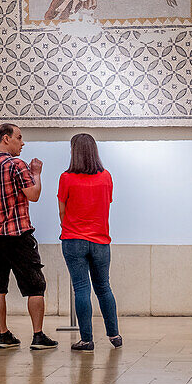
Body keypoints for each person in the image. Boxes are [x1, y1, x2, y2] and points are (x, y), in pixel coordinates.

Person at [0, 123, 57, 350]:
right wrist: (37, 174)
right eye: (19, 138)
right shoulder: (17, 165)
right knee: (35, 286)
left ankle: (3, 334)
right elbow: (33, 195)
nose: (22, 142)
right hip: (18, 236)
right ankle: (38, 336)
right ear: (6, 139)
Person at [57, 134, 121, 352]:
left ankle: (87, 339)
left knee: (81, 289)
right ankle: (114, 334)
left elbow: (62, 211)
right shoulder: (106, 177)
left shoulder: (66, 178)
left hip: (73, 239)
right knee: (104, 287)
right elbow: (107, 203)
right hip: (101, 240)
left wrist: (70, 228)